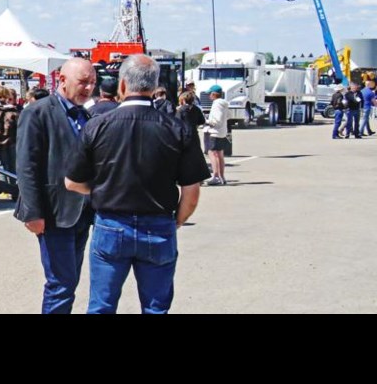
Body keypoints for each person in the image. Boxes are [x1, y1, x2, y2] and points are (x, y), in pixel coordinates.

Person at [65, 55, 209, 314]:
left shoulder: (96, 126)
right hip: (158, 224)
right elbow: (191, 191)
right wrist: (178, 219)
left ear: (121, 86)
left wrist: (101, 190)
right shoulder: (177, 128)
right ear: (155, 87)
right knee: (156, 308)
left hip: (111, 224)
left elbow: (72, 182)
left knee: (101, 306)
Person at [14, 58, 96, 314]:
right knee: (60, 284)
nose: (89, 88)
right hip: (53, 214)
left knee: (69, 281)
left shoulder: (86, 115)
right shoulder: (37, 113)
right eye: (83, 82)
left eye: (92, 83)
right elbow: (26, 167)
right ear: (62, 80)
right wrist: (33, 212)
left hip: (81, 213)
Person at [203, 85, 230, 185]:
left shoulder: (216, 104)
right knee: (220, 154)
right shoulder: (224, 103)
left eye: (210, 93)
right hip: (222, 132)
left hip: (214, 132)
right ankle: (222, 176)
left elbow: (216, 120)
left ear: (214, 94)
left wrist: (207, 121)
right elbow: (228, 115)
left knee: (212, 153)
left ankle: (216, 176)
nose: (209, 95)